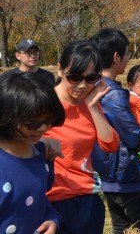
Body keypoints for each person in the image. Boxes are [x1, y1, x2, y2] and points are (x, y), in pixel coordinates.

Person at [44, 40, 120, 234]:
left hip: (88, 198)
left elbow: (111, 145)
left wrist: (93, 107)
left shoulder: (90, 103)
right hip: (52, 200)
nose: (83, 85)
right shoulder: (43, 104)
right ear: (60, 70)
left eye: (91, 78)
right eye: (75, 77)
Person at [90, 28, 140, 233]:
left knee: (121, 226)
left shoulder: (92, 85)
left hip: (107, 174)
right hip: (125, 175)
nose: (129, 58)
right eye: (127, 53)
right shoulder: (112, 93)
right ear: (116, 56)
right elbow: (132, 136)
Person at [0, 71, 65, 234]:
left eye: (49, 120)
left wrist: (52, 219)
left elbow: (40, 201)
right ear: (6, 117)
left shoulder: (43, 155)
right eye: (33, 123)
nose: (43, 128)